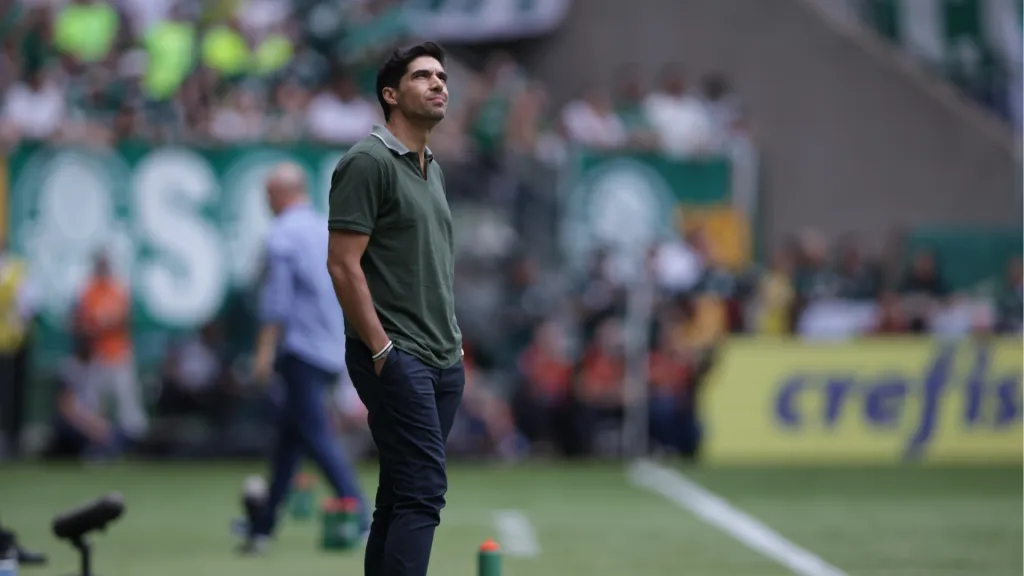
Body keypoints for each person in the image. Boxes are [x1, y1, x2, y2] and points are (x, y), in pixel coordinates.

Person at [327, 42, 465, 576]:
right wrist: (382, 349)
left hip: (442, 359)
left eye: (442, 77)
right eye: (422, 76)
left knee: (400, 491)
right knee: (424, 492)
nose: (438, 84)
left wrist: (453, 345)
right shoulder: (367, 162)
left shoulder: (433, 166)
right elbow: (342, 265)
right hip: (397, 355)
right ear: (391, 94)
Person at [238, 162, 368, 554]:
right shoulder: (323, 228)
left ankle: (361, 515)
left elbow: (275, 302)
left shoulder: (283, 236)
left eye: (268, 195)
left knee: (313, 435)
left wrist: (262, 355)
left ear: (281, 193)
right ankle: (263, 526)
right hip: (330, 346)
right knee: (290, 442)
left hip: (302, 350)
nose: (266, 203)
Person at [74, 253, 147, 441]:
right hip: (97, 355)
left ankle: (135, 442)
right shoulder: (89, 290)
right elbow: (81, 323)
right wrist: (99, 326)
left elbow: (126, 319)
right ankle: (97, 441)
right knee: (93, 403)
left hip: (119, 353)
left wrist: (105, 324)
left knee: (127, 401)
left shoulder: (118, 289)